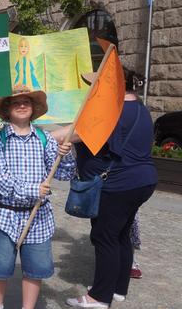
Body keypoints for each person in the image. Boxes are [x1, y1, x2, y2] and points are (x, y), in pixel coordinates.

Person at [64, 69, 157, 308]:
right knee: (120, 235)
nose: (91, 89)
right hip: (142, 182)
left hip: (118, 185)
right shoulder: (140, 108)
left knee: (104, 237)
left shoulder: (112, 112)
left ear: (110, 86)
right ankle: (118, 289)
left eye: (94, 84)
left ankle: (99, 297)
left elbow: (74, 135)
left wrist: (39, 135)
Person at [0, 85, 74, 309]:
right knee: (0, 267)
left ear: (33, 108)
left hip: (38, 217)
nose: (22, 105)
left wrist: (67, 153)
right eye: (16, 102)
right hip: (5, 215)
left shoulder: (45, 139)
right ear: (7, 109)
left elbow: (63, 174)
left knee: (35, 269)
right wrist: (33, 190)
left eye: (26, 102)